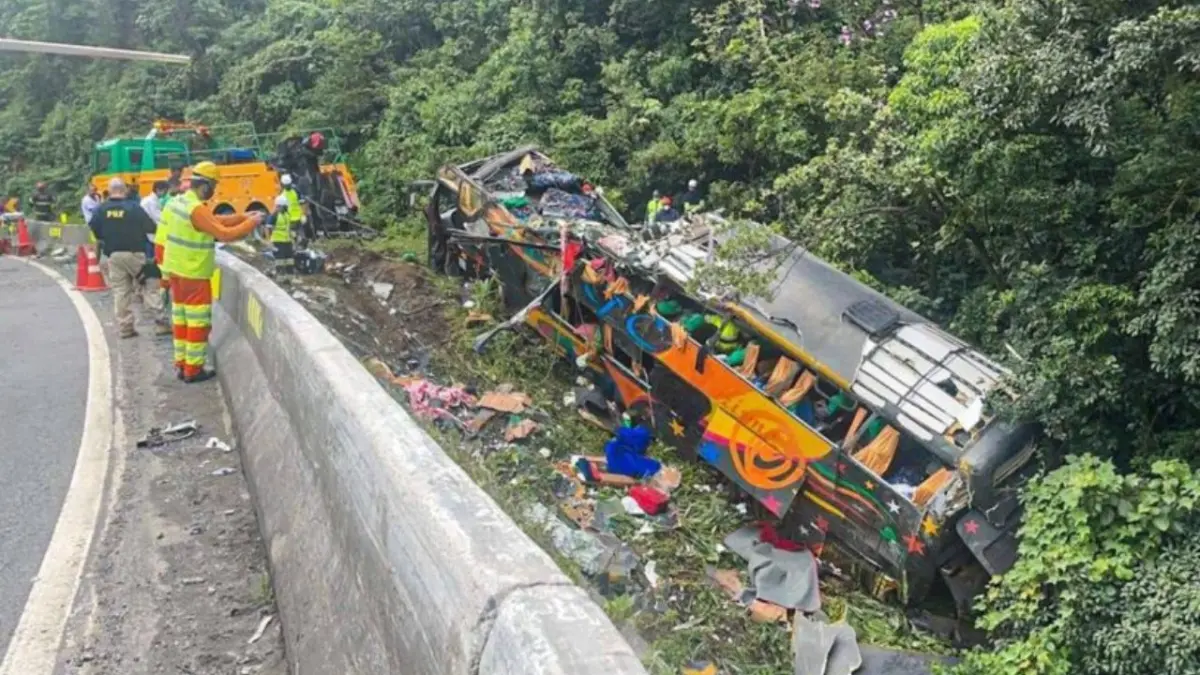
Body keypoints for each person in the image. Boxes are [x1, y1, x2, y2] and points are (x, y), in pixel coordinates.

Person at [161, 161, 261, 383]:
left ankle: (181, 364)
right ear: (204, 186)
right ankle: (193, 370)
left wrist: (243, 216)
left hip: (176, 273)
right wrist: (252, 223)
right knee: (198, 324)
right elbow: (224, 234)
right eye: (214, 186)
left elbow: (213, 222)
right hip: (194, 274)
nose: (215, 191)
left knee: (181, 321)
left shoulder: (180, 202)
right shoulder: (196, 209)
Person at [89, 178, 162, 339]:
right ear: (124, 190)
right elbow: (151, 227)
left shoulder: (101, 209)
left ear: (109, 190)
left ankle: (125, 327)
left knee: (121, 292)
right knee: (149, 283)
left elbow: (95, 230)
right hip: (135, 253)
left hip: (114, 255)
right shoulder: (134, 208)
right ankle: (161, 321)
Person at [268, 193, 295, 275]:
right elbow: (267, 228)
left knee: (289, 260)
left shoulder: (287, 215)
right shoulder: (274, 216)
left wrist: (293, 237)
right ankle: (281, 279)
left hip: (287, 241)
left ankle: (289, 279)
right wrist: (269, 241)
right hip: (278, 241)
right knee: (280, 261)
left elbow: (288, 228)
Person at [278, 174, 308, 240]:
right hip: (289, 219)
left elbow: (303, 203)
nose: (287, 186)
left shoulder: (296, 190)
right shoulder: (281, 193)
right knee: (293, 236)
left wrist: (304, 214)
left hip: (298, 217)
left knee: (302, 236)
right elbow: (281, 208)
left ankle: (303, 245)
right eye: (286, 185)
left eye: (288, 185)